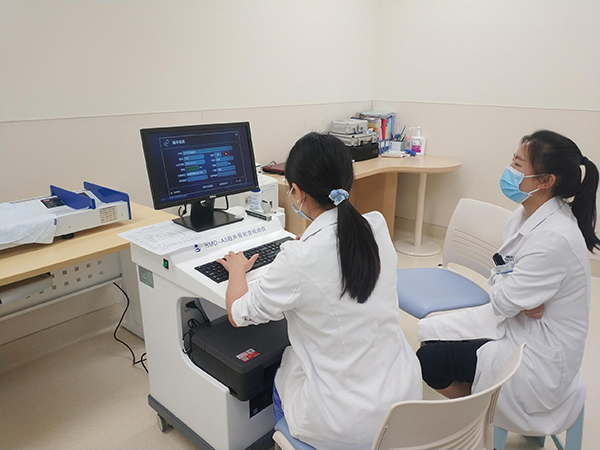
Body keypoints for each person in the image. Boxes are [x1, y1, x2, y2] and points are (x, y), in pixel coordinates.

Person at [217, 132, 422, 450]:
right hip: (402, 399)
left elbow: (237, 313)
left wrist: (236, 271)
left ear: (297, 192)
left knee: (283, 371)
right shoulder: (376, 227)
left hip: (343, 424)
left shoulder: (298, 258)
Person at [417, 130, 599, 436]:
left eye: (517, 164)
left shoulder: (554, 237)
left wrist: (515, 296)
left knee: (430, 360)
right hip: (518, 325)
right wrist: (520, 297)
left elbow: (503, 299)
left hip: (538, 356)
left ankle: (477, 416)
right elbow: (505, 283)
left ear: (545, 180)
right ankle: (479, 405)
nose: (509, 170)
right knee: (431, 334)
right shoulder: (525, 214)